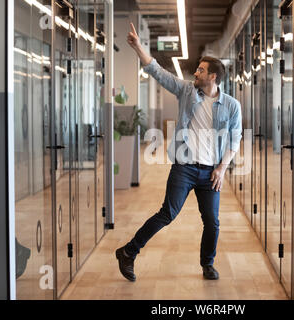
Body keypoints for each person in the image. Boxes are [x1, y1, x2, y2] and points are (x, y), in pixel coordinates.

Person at [115, 23, 242, 281]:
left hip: (210, 173)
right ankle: (128, 252)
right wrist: (138, 47)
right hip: (184, 167)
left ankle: (207, 264)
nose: (195, 72)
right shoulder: (186, 90)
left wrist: (222, 168)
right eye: (197, 69)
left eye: (201, 70)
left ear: (214, 77)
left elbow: (235, 140)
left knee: (212, 222)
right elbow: (157, 72)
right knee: (167, 214)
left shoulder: (231, 106)